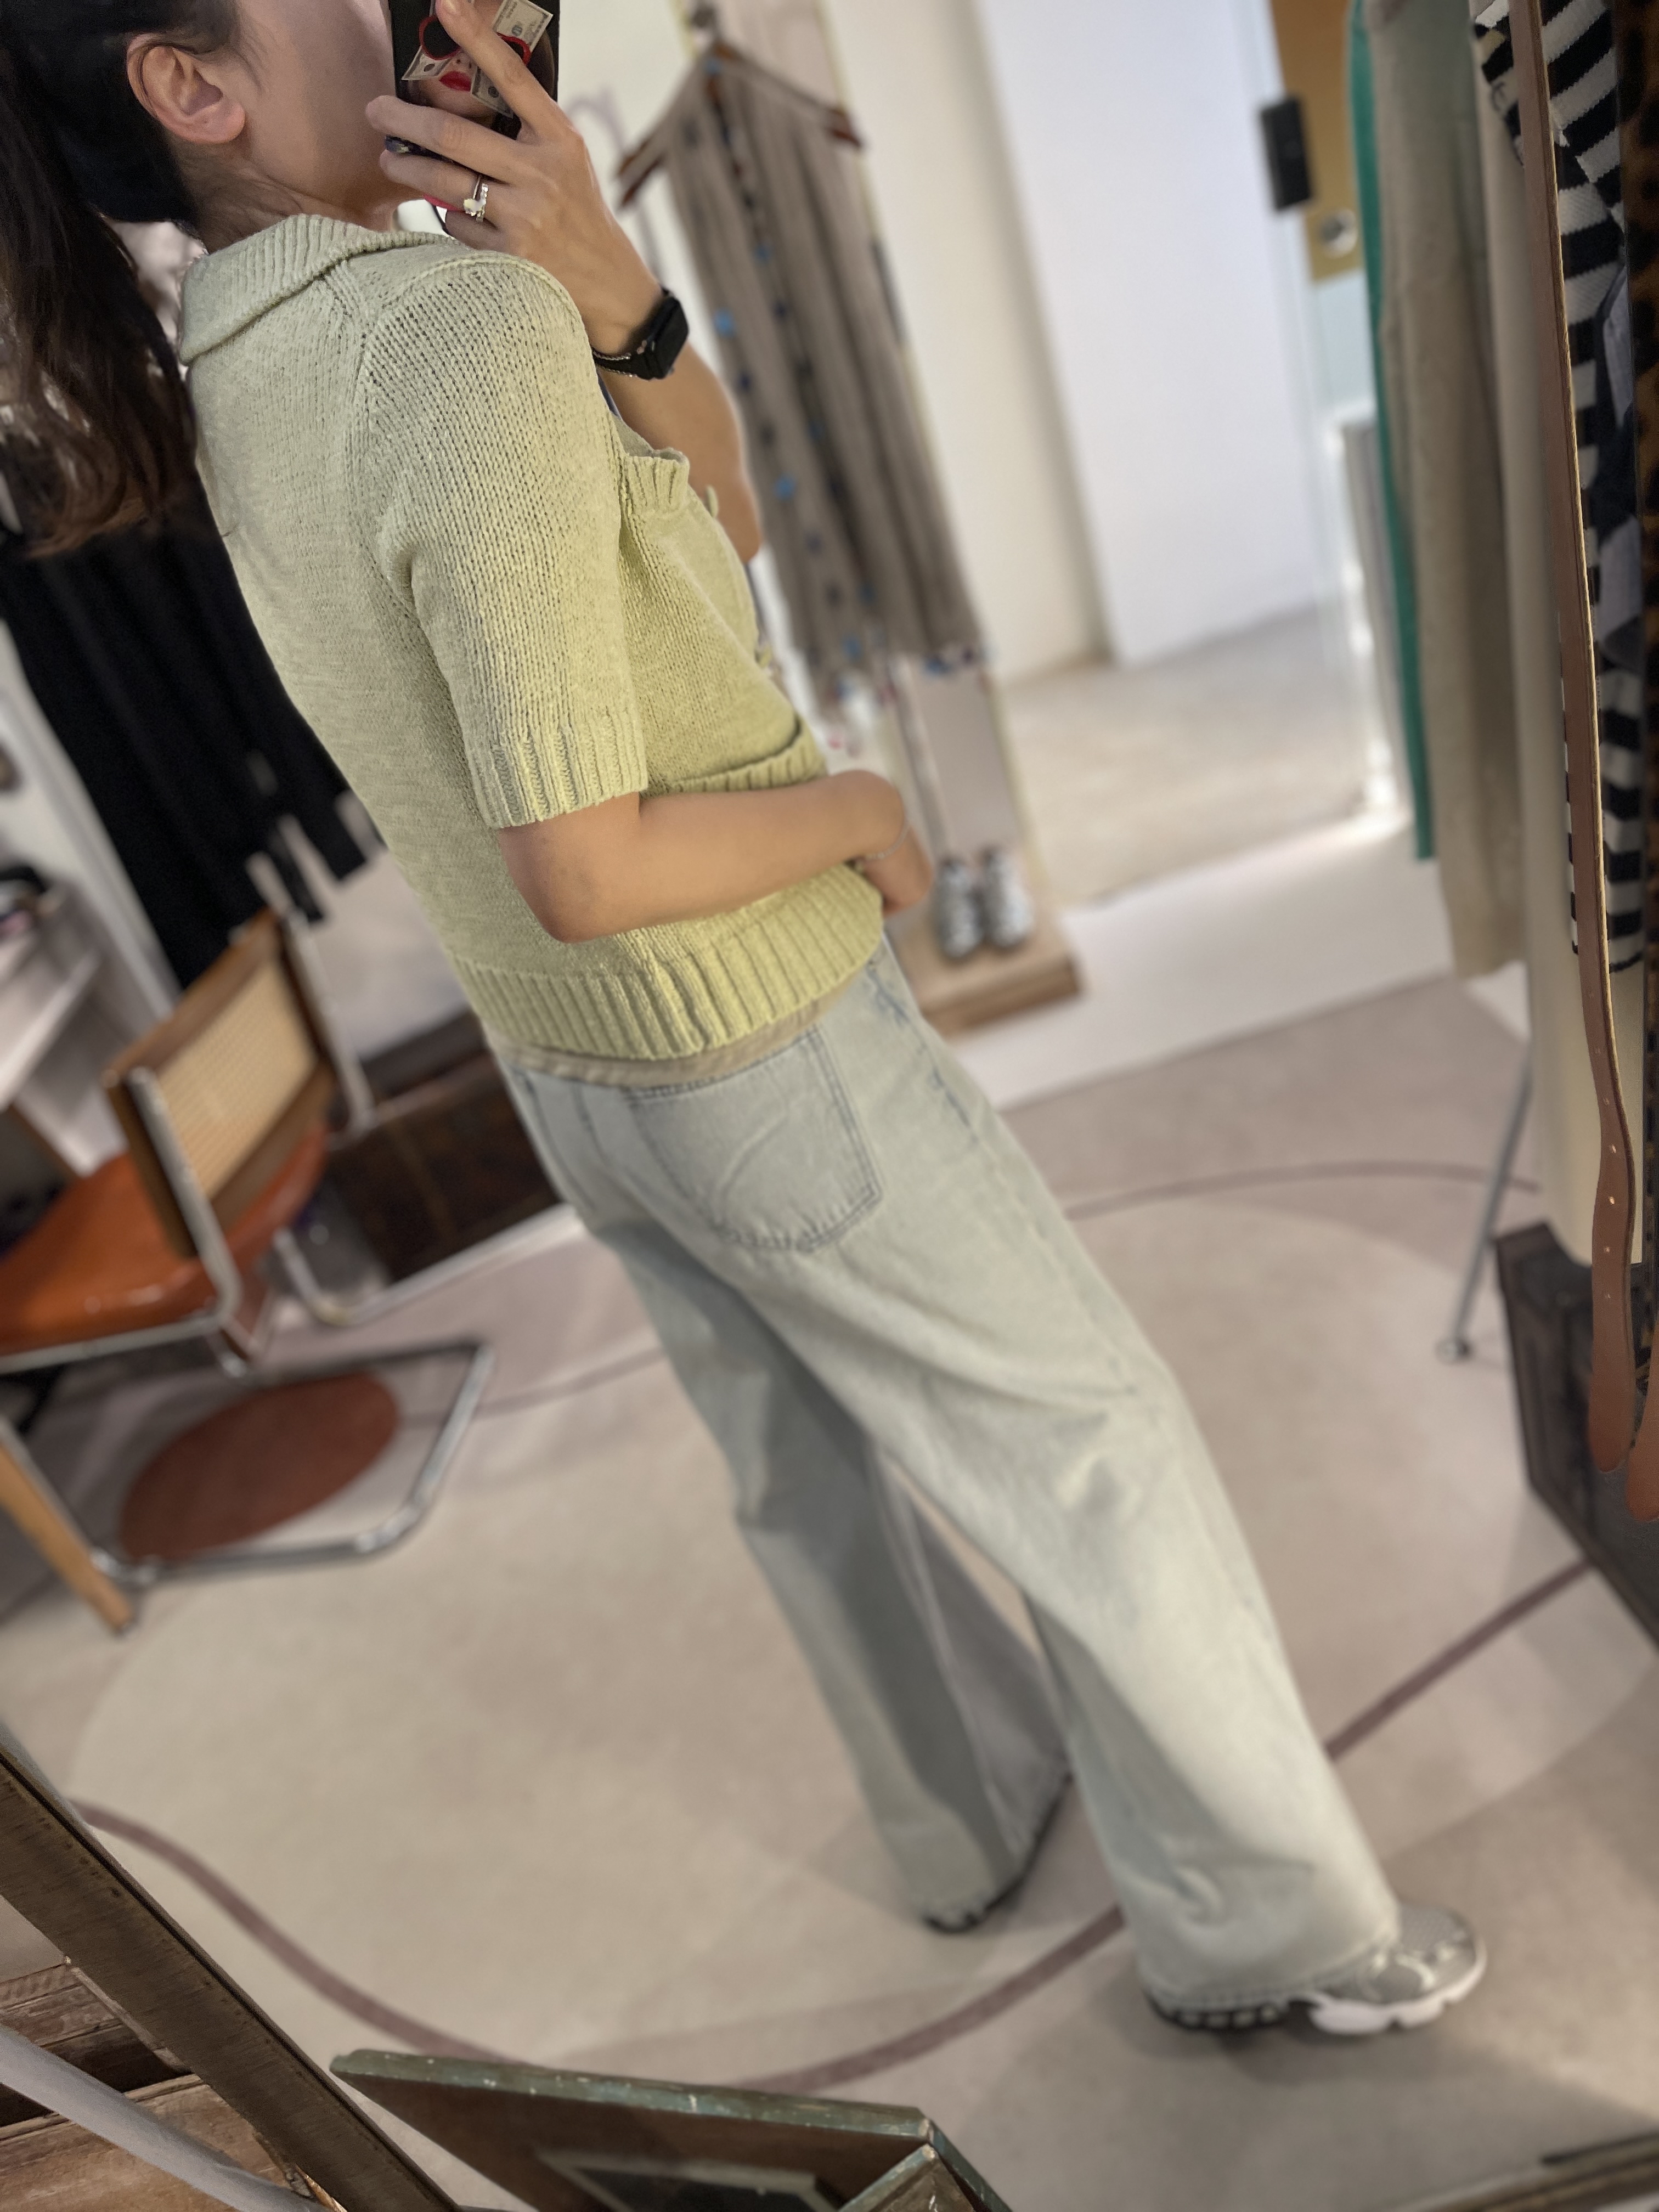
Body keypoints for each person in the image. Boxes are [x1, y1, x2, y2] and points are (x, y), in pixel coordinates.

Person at [0, 0, 1485, 2036]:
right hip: (751, 1032)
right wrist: (862, 809)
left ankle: (959, 1824)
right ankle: (1275, 1937)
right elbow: (587, 858)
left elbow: (720, 532)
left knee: (802, 1455)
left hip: (578, 1073)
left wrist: (606, 282)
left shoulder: (245, 362)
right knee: (1092, 1442)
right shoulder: (443, 336)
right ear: (191, 87)